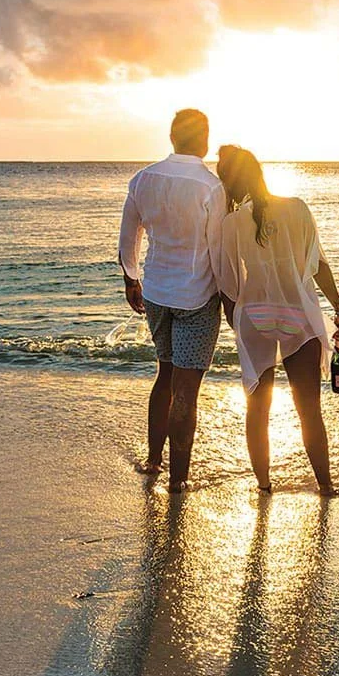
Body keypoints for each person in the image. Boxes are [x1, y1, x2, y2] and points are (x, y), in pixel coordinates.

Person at [215, 145, 339, 496]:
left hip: (256, 316)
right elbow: (317, 264)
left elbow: (228, 287)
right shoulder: (297, 208)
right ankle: (326, 486)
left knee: (258, 408)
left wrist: (238, 325)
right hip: (298, 314)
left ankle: (264, 486)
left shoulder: (231, 223)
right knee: (309, 410)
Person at [118, 108, 226, 492]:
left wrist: (131, 279)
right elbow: (218, 249)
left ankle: (153, 461)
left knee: (164, 374)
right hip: (196, 296)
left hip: (157, 293)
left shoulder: (143, 179)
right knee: (187, 390)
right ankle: (179, 481)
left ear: (171, 136)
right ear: (205, 139)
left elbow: (129, 236)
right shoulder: (211, 186)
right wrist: (229, 297)